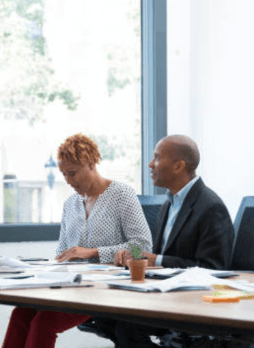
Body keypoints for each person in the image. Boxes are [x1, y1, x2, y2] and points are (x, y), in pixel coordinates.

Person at [1, 133, 152, 348]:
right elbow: (64, 252)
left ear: (90, 164)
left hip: (106, 288)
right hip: (72, 285)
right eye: (64, 175)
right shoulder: (70, 204)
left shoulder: (121, 194)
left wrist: (93, 252)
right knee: (21, 313)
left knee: (45, 321)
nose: (69, 181)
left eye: (73, 173)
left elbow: (143, 246)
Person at [97, 134, 234, 348]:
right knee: (108, 318)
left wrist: (156, 259)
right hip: (163, 298)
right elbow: (154, 251)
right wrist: (134, 254)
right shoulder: (168, 204)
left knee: (126, 327)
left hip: (191, 304)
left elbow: (212, 269)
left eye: (157, 158)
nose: (151, 164)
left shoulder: (210, 207)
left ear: (179, 166)